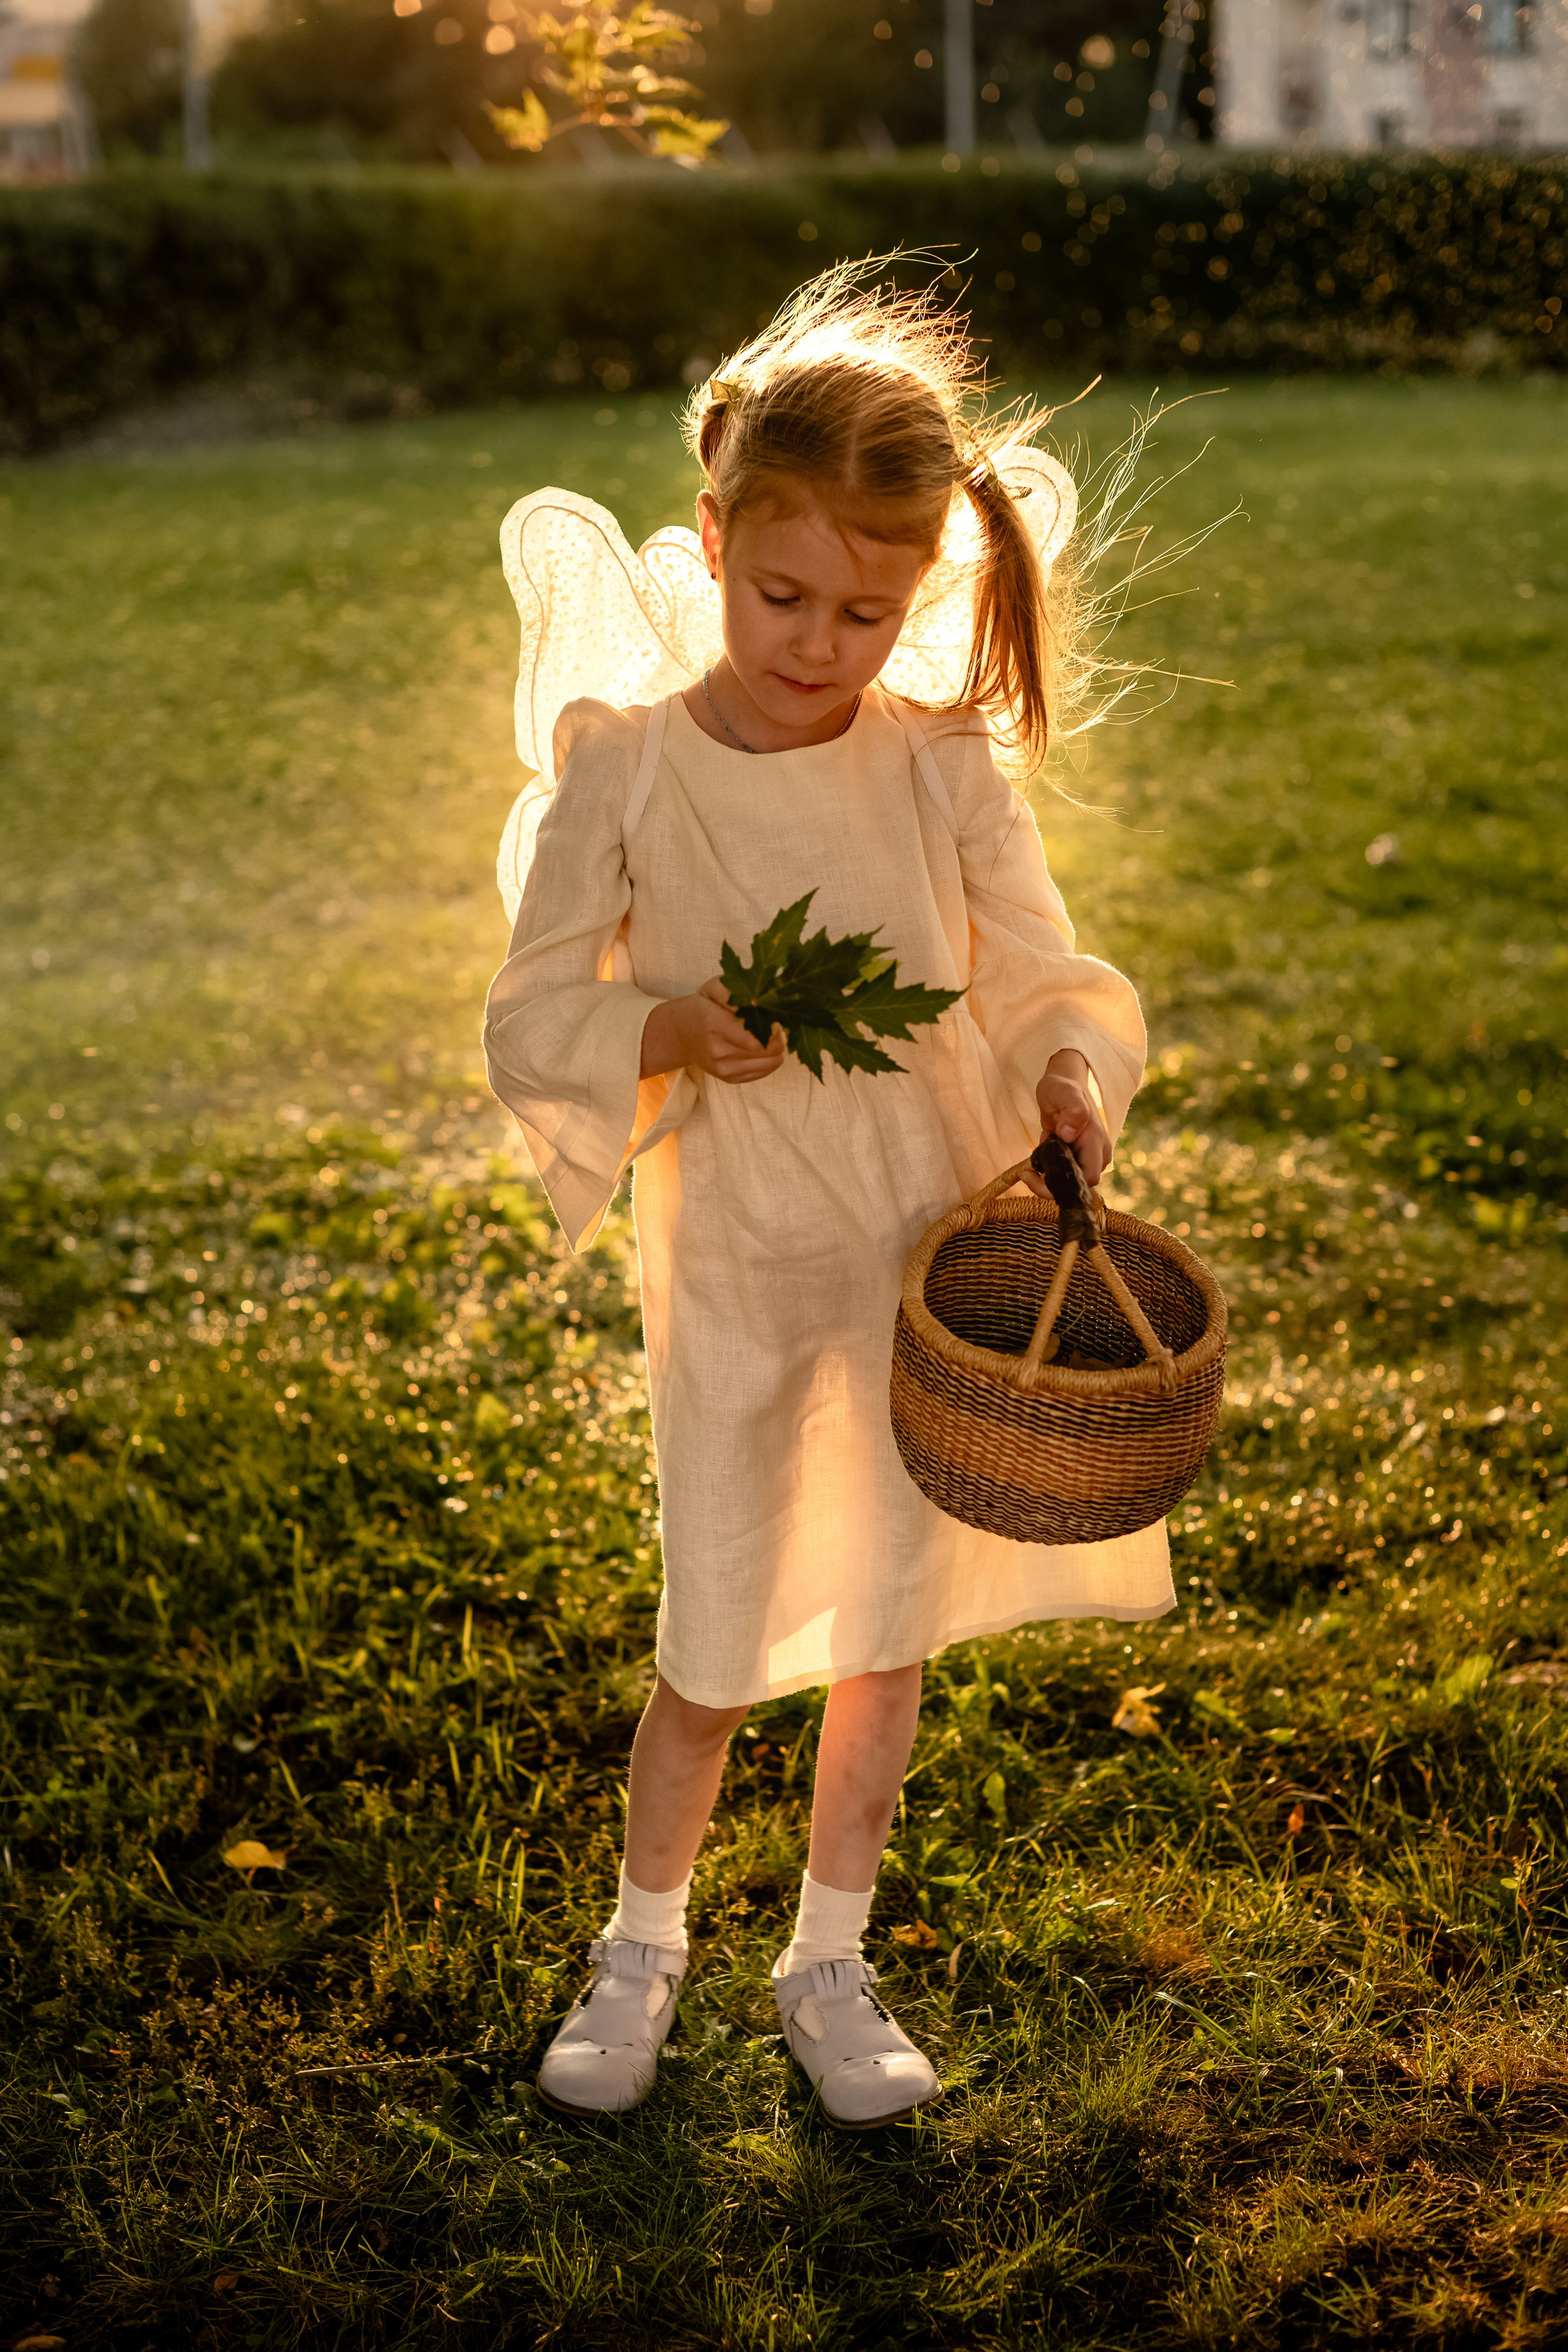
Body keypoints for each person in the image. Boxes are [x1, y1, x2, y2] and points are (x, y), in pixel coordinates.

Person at [483, 265, 1168, 2131]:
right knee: (716, 1627)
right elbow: (531, 1014)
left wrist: (1066, 1073)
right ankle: (644, 1945)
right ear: (714, 541)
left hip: (921, 1248)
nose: (820, 644)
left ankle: (830, 1955)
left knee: (884, 1620)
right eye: (783, 597)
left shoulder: (935, 761)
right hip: (739, 1255)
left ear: (923, 584)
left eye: (868, 612)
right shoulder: (629, 766)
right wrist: (661, 1026)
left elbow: (1039, 966)